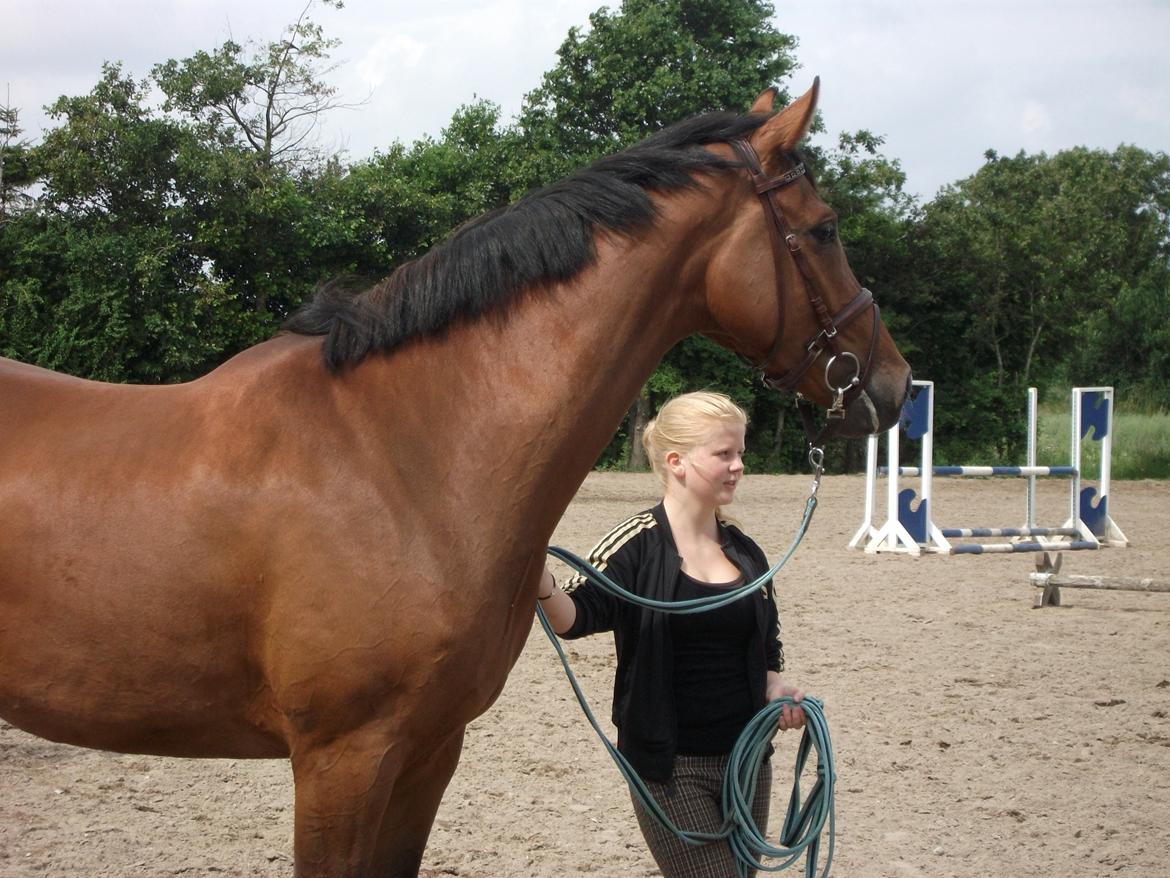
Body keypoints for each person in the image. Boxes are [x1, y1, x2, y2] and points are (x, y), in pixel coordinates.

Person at [537, 390, 807, 878]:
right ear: (677, 461)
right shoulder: (635, 543)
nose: (738, 465)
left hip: (748, 760)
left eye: (740, 453)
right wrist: (537, 576)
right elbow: (575, 616)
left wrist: (775, 687)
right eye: (723, 454)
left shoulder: (747, 552)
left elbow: (767, 646)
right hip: (669, 769)